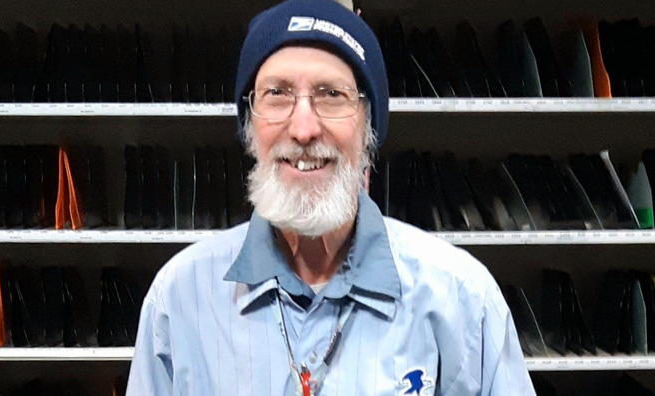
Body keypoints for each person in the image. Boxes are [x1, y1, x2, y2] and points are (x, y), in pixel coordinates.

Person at [126, 0, 536, 395]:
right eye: (277, 94)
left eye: (331, 95)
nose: (303, 128)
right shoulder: (179, 298)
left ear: (368, 128)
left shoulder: (461, 298)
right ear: (250, 126)